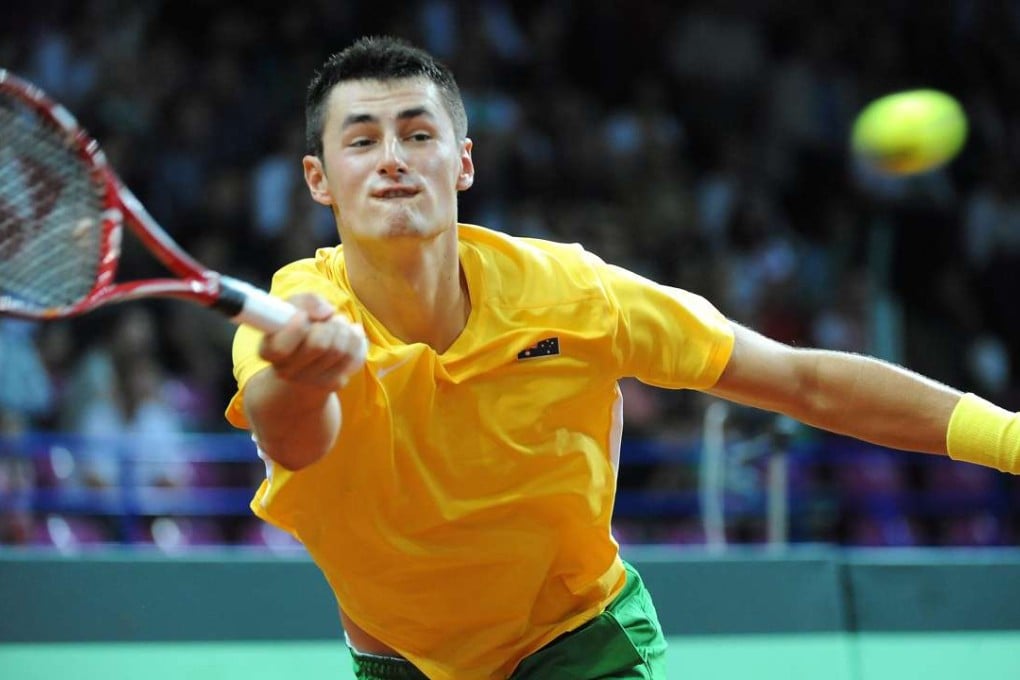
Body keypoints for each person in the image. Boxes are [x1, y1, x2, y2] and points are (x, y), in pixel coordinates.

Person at [225, 36, 1019, 680]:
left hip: (578, 645)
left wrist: (1008, 438)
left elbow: (801, 378)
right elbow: (294, 442)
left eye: (418, 133)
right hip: (400, 663)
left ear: (462, 162)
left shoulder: (573, 294)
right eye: (362, 140)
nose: (392, 157)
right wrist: (306, 376)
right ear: (319, 180)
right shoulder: (292, 317)